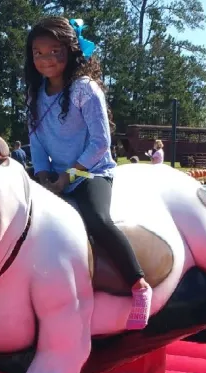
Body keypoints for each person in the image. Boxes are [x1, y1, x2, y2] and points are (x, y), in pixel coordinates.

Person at [24, 16, 152, 329]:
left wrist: (69, 175)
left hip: (90, 171)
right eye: (38, 52)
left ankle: (139, 285)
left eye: (54, 51)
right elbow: (36, 141)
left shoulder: (86, 89)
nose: (46, 59)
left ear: (71, 51)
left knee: (97, 219)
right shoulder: (34, 94)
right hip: (53, 175)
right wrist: (42, 175)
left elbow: (100, 142)